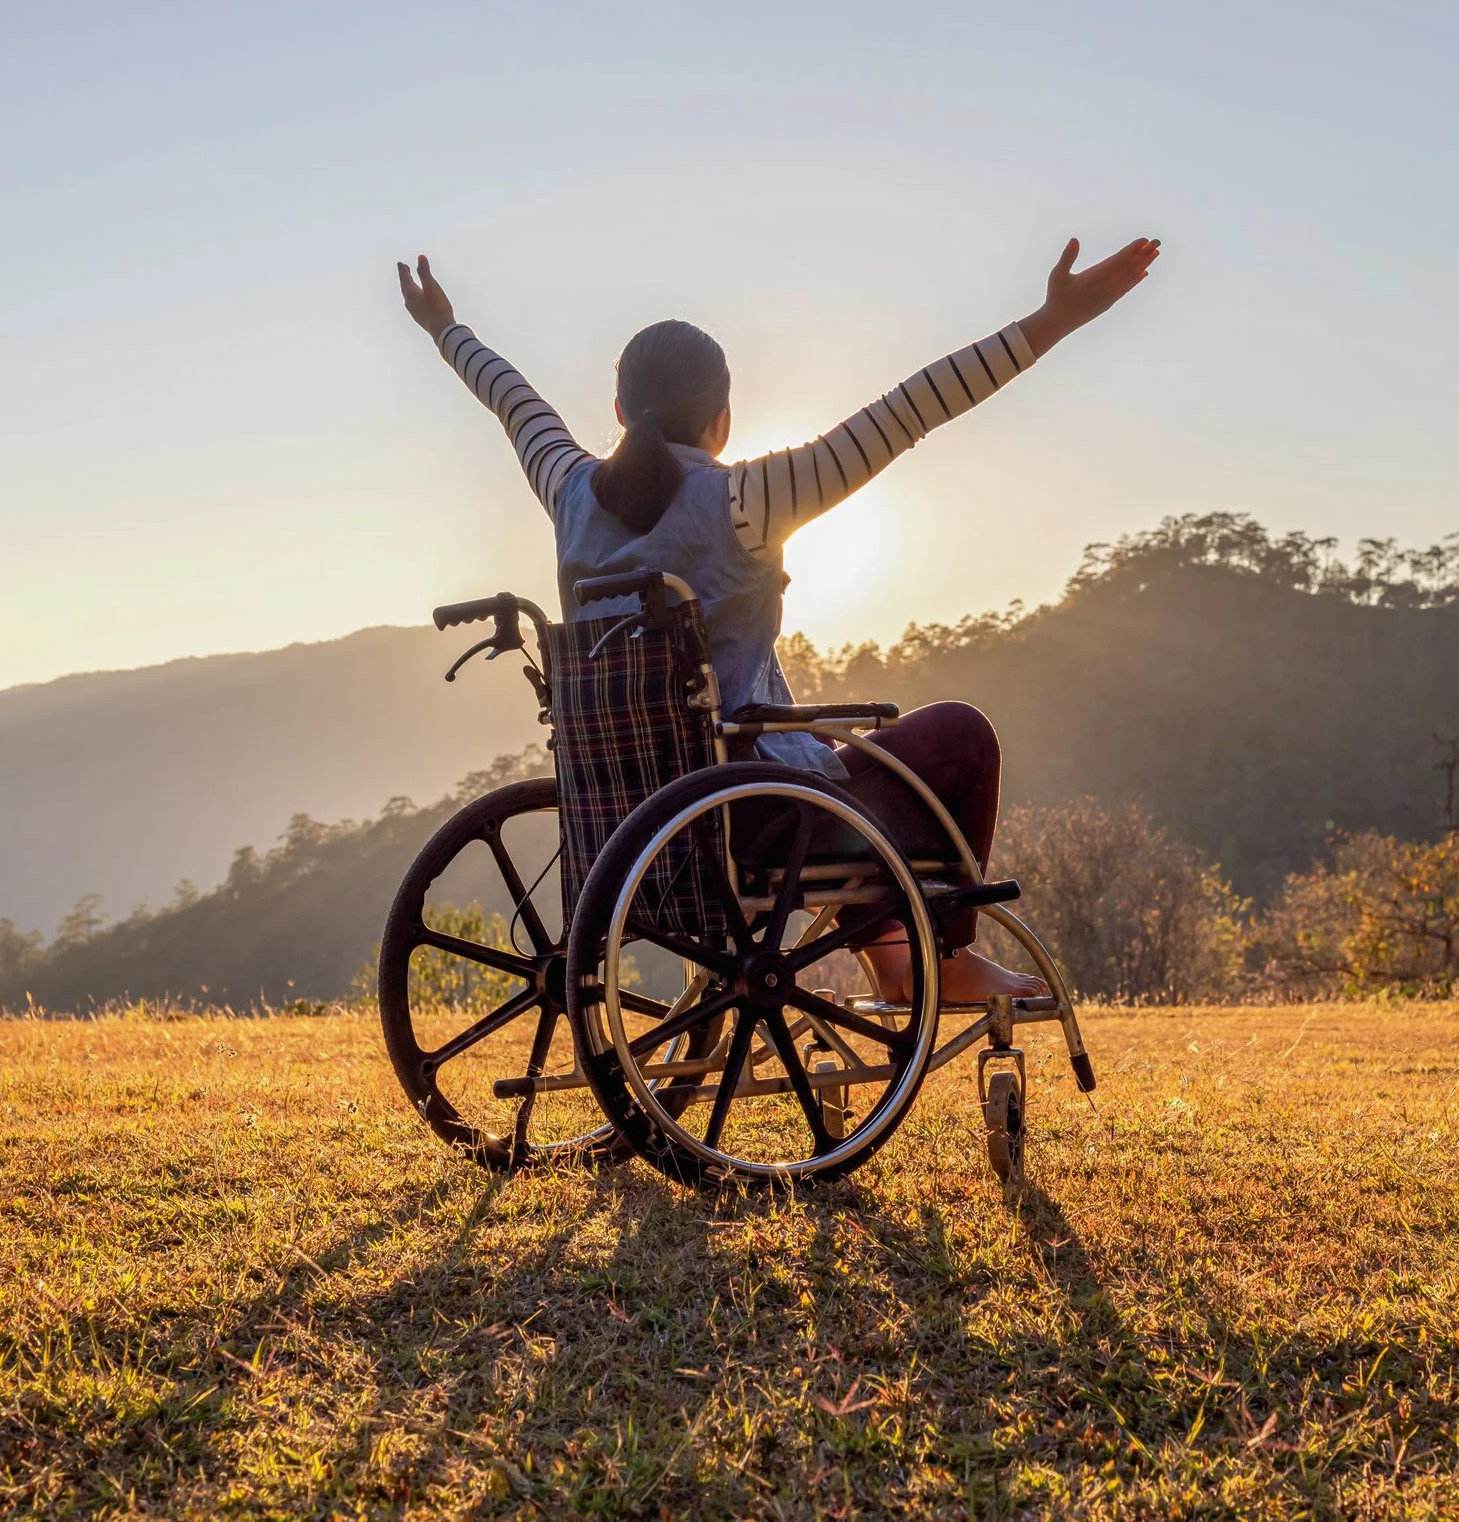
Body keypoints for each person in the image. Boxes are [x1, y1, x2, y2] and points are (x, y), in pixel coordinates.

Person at [398, 235, 1160, 1004]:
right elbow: (909, 411)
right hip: (751, 815)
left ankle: (895, 953)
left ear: (621, 411)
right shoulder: (746, 501)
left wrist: (444, 328)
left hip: (622, 813)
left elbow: (511, 402)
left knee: (843, 768)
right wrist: (1053, 322)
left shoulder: (569, 489)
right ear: (723, 421)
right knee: (956, 735)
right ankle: (933, 958)